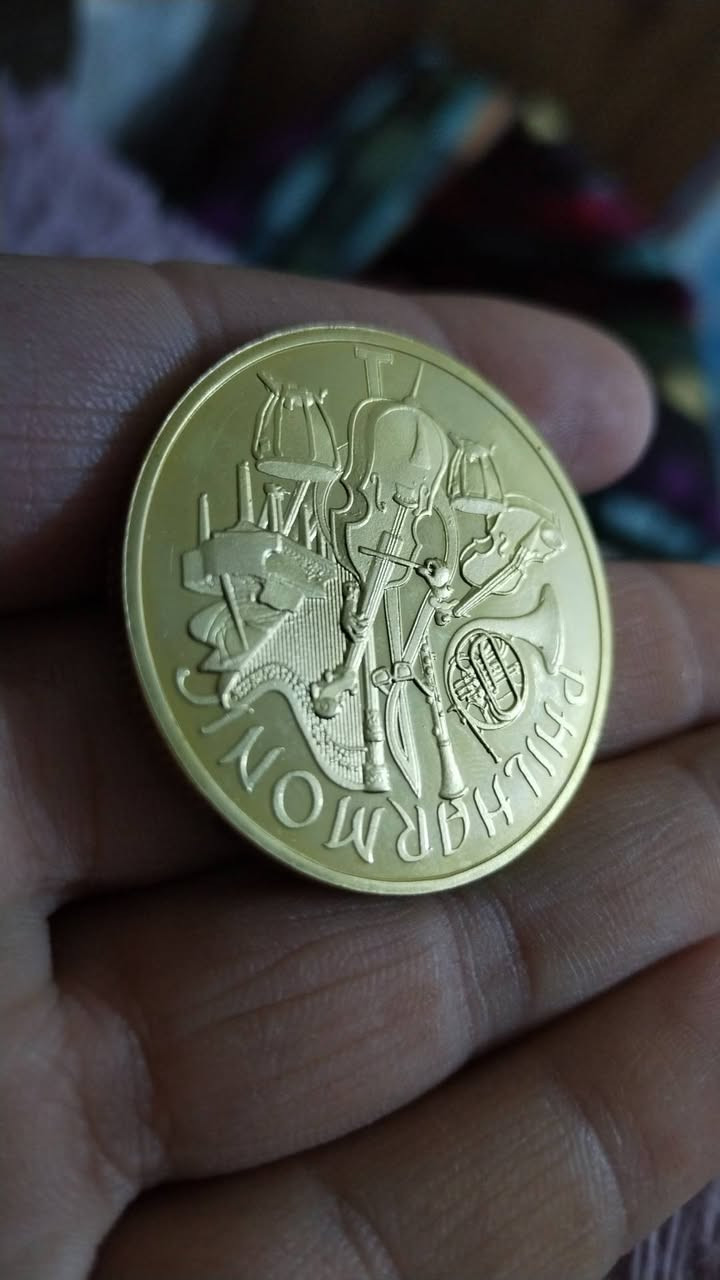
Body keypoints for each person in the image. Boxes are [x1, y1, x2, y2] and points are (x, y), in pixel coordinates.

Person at [1, 255, 718, 1280]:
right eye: (386, 491)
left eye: (407, 495)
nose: (393, 507)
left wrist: (439, 590)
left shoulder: (428, 548)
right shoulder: (348, 533)